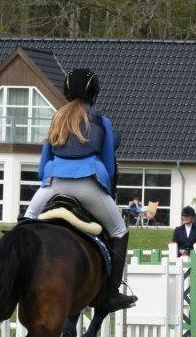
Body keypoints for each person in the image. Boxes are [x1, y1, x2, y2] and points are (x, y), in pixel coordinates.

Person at [23, 68, 137, 312]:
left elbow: (44, 162)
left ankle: (13, 274)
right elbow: (107, 162)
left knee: (26, 222)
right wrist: (103, 185)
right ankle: (111, 293)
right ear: (93, 93)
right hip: (88, 184)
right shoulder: (100, 121)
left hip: (52, 184)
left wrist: (47, 180)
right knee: (119, 230)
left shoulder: (56, 118)